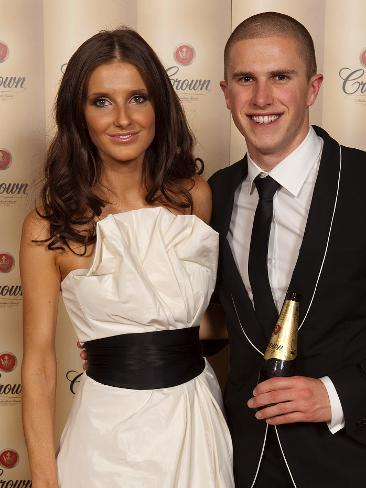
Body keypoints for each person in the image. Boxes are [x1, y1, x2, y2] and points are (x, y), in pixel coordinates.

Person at [20, 28, 234, 488]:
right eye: (101, 101)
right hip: (106, 441)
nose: (122, 119)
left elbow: (196, 319)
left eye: (137, 98)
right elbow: (37, 367)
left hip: (194, 423)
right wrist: (43, 480)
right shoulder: (48, 225)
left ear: (159, 105)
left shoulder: (195, 198)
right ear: (79, 115)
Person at [208, 11, 366, 488]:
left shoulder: (362, 184)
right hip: (242, 465)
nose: (261, 98)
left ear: (313, 87)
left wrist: (338, 396)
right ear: (225, 92)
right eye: (245, 79)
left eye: (280, 77)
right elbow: (210, 319)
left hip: (348, 462)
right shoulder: (209, 196)